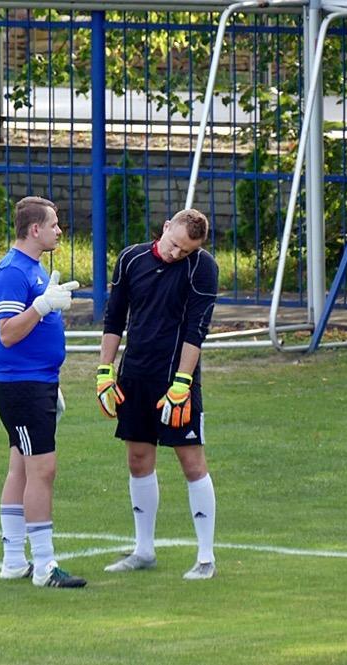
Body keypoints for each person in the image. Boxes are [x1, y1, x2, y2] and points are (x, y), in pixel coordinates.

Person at [96, 208, 220, 580]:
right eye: (174, 245)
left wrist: (182, 383)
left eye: (185, 251)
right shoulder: (130, 258)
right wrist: (105, 372)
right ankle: (143, 550)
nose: (176, 254)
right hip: (134, 375)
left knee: (191, 461)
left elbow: (197, 328)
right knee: (137, 458)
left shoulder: (202, 267)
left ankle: (205, 557)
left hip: (175, 381)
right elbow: (114, 317)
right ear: (165, 228)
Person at [0, 196, 86, 589]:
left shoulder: (33, 268)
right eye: (54, 224)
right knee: (42, 470)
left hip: (36, 382)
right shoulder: (13, 271)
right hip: (22, 384)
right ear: (34, 230)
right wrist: (43, 306)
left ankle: (14, 561)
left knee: (20, 468)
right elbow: (8, 333)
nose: (59, 230)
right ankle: (44, 566)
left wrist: (52, 382)